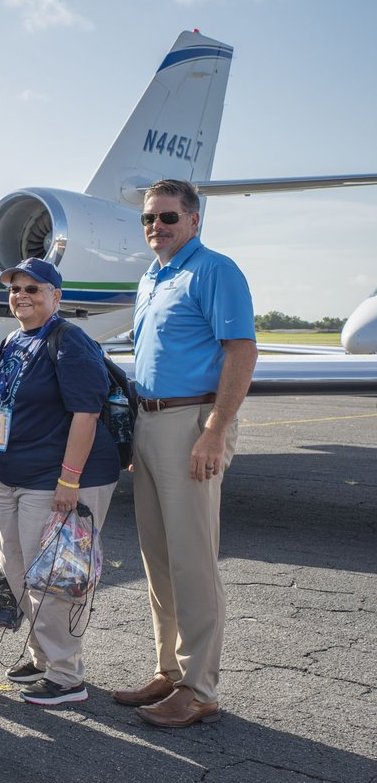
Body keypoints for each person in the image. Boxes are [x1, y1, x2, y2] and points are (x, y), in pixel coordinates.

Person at [112, 179, 257, 728]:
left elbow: (241, 350)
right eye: (149, 219)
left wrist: (215, 430)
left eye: (168, 218)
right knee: (158, 557)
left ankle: (200, 688)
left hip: (190, 423)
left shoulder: (215, 270)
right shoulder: (153, 275)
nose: (156, 227)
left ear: (194, 220)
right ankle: (169, 670)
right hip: (149, 424)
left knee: (193, 559)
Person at [0, 258, 121, 706]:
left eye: (34, 288)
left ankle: (66, 676)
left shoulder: (70, 341)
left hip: (54, 478)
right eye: (15, 288)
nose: (21, 295)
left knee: (51, 579)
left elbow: (86, 413)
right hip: (13, 475)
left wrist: (69, 481)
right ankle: (42, 656)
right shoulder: (12, 341)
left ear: (56, 296)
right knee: (18, 569)